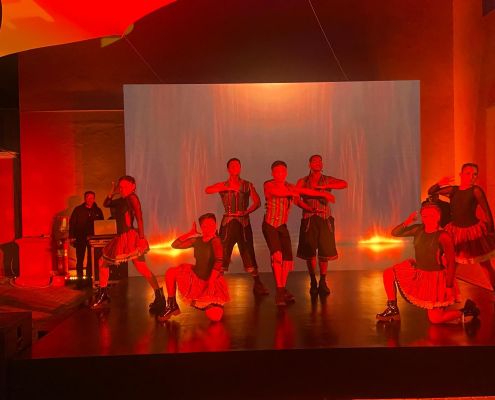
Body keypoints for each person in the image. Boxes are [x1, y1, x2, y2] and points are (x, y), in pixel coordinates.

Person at [376, 202, 479, 324]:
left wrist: (449, 286)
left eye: (431, 216)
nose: (427, 219)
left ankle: (466, 311)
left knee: (435, 319)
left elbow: (451, 262)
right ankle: (393, 309)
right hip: (419, 272)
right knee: (389, 273)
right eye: (424, 216)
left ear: (438, 217)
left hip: (435, 279)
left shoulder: (443, 236)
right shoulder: (418, 229)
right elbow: (395, 233)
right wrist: (407, 222)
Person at [263, 160, 335, 306]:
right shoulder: (269, 185)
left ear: (286, 173)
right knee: (277, 257)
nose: (280, 174)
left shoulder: (290, 186)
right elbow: (278, 192)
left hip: (282, 227)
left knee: (288, 262)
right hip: (270, 225)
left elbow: (302, 194)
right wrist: (296, 192)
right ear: (272, 173)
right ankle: (279, 292)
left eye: (283, 171)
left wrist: (319, 199)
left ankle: (282, 289)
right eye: (277, 171)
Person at [90, 176, 165, 313]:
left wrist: (141, 237)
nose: (122, 189)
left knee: (141, 268)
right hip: (120, 237)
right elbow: (106, 203)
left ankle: (159, 296)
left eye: (125, 186)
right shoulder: (121, 200)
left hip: (129, 237)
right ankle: (103, 293)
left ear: (133, 186)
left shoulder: (132, 198)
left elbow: (139, 217)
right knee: (103, 263)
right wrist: (112, 191)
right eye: (121, 186)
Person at [205, 158, 269, 295]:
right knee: (222, 252)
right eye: (232, 166)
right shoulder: (223, 184)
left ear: (240, 168)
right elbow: (208, 190)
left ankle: (258, 283)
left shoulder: (247, 185)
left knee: (248, 251)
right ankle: (216, 285)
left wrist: (246, 212)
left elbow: (257, 202)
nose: (235, 168)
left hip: (243, 223)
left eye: (237, 165)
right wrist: (225, 188)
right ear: (228, 169)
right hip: (228, 223)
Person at [428, 163, 495, 289]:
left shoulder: (476, 191)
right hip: (455, 231)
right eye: (468, 173)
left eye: (474, 174)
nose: (472, 177)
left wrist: (491, 231)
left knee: (485, 265)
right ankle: (446, 290)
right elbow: (431, 192)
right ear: (461, 174)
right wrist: (440, 183)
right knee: (452, 263)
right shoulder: (453, 190)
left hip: (473, 231)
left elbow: (487, 212)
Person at [157, 213, 230, 321]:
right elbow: (175, 245)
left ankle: (208, 304)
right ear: (201, 227)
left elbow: (219, 261)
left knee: (216, 317)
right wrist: (190, 234)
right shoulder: (197, 240)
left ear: (216, 225)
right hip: (195, 277)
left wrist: (211, 282)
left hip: (211, 280)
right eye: (205, 226)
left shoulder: (216, 241)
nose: (209, 228)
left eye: (211, 224)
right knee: (171, 272)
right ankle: (172, 305)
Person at [296, 154, 348, 296]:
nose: (318, 163)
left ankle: (323, 281)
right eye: (315, 161)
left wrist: (326, 186)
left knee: (324, 253)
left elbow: (344, 184)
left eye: (320, 161)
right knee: (310, 253)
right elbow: (296, 199)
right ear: (309, 164)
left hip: (325, 218)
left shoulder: (327, 179)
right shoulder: (303, 181)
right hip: (309, 218)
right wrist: (308, 208)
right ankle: (313, 280)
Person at [69, 191, 104, 283]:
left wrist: (100, 237)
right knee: (80, 259)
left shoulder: (98, 210)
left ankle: (89, 280)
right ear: (85, 198)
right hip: (80, 238)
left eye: (92, 198)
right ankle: (80, 282)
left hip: (93, 239)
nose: (90, 199)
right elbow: (72, 223)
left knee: (91, 259)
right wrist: (71, 237)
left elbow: (102, 224)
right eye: (88, 197)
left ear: (94, 199)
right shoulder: (78, 210)